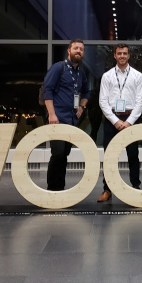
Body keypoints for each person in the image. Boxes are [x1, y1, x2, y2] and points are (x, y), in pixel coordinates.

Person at [97, 44, 142, 202]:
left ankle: (135, 187)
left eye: (125, 53)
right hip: (112, 120)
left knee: (133, 155)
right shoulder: (107, 76)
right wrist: (115, 121)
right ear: (115, 56)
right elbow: (103, 102)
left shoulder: (137, 76)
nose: (122, 56)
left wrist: (129, 122)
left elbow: (140, 102)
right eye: (119, 53)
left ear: (129, 56)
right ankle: (107, 190)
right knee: (110, 156)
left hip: (131, 120)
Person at [43, 38, 90, 191]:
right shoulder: (58, 68)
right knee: (57, 154)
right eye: (76, 48)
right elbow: (47, 91)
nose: (79, 51)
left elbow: (86, 92)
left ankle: (60, 189)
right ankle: (52, 190)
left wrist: (82, 106)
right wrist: (51, 114)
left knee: (64, 155)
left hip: (71, 121)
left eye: (81, 49)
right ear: (69, 50)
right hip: (57, 119)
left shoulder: (81, 73)